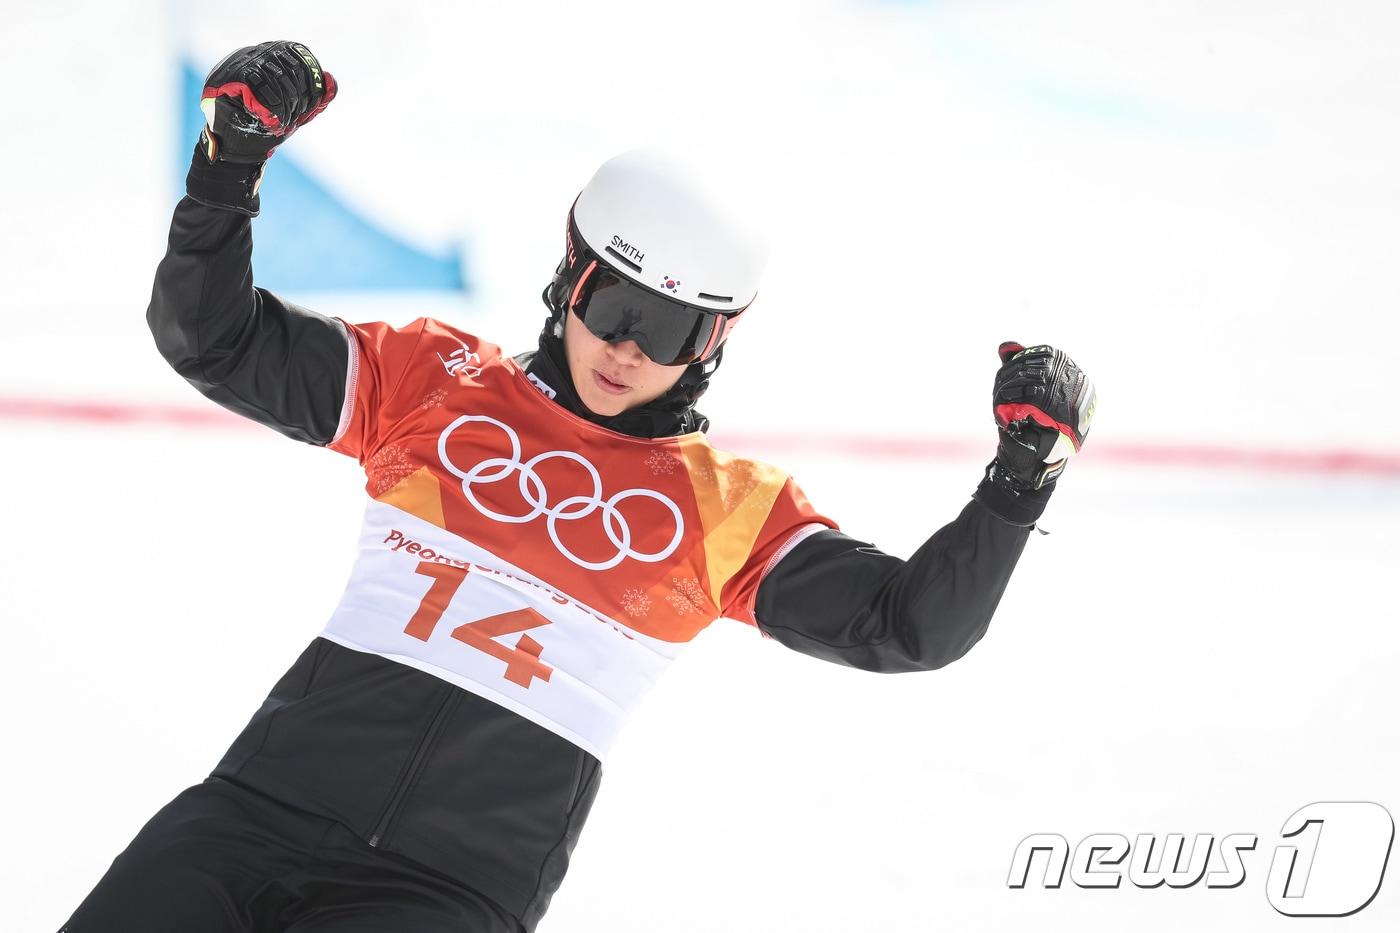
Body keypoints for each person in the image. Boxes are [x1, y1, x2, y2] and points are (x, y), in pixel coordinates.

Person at [62, 41, 1096, 933]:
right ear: (570, 273)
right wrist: (228, 165)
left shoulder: (723, 508)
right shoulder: (429, 382)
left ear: (714, 343)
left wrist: (1018, 482)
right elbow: (215, 338)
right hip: (253, 814)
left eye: (670, 329)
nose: (625, 349)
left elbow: (907, 627)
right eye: (610, 305)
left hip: (442, 890)